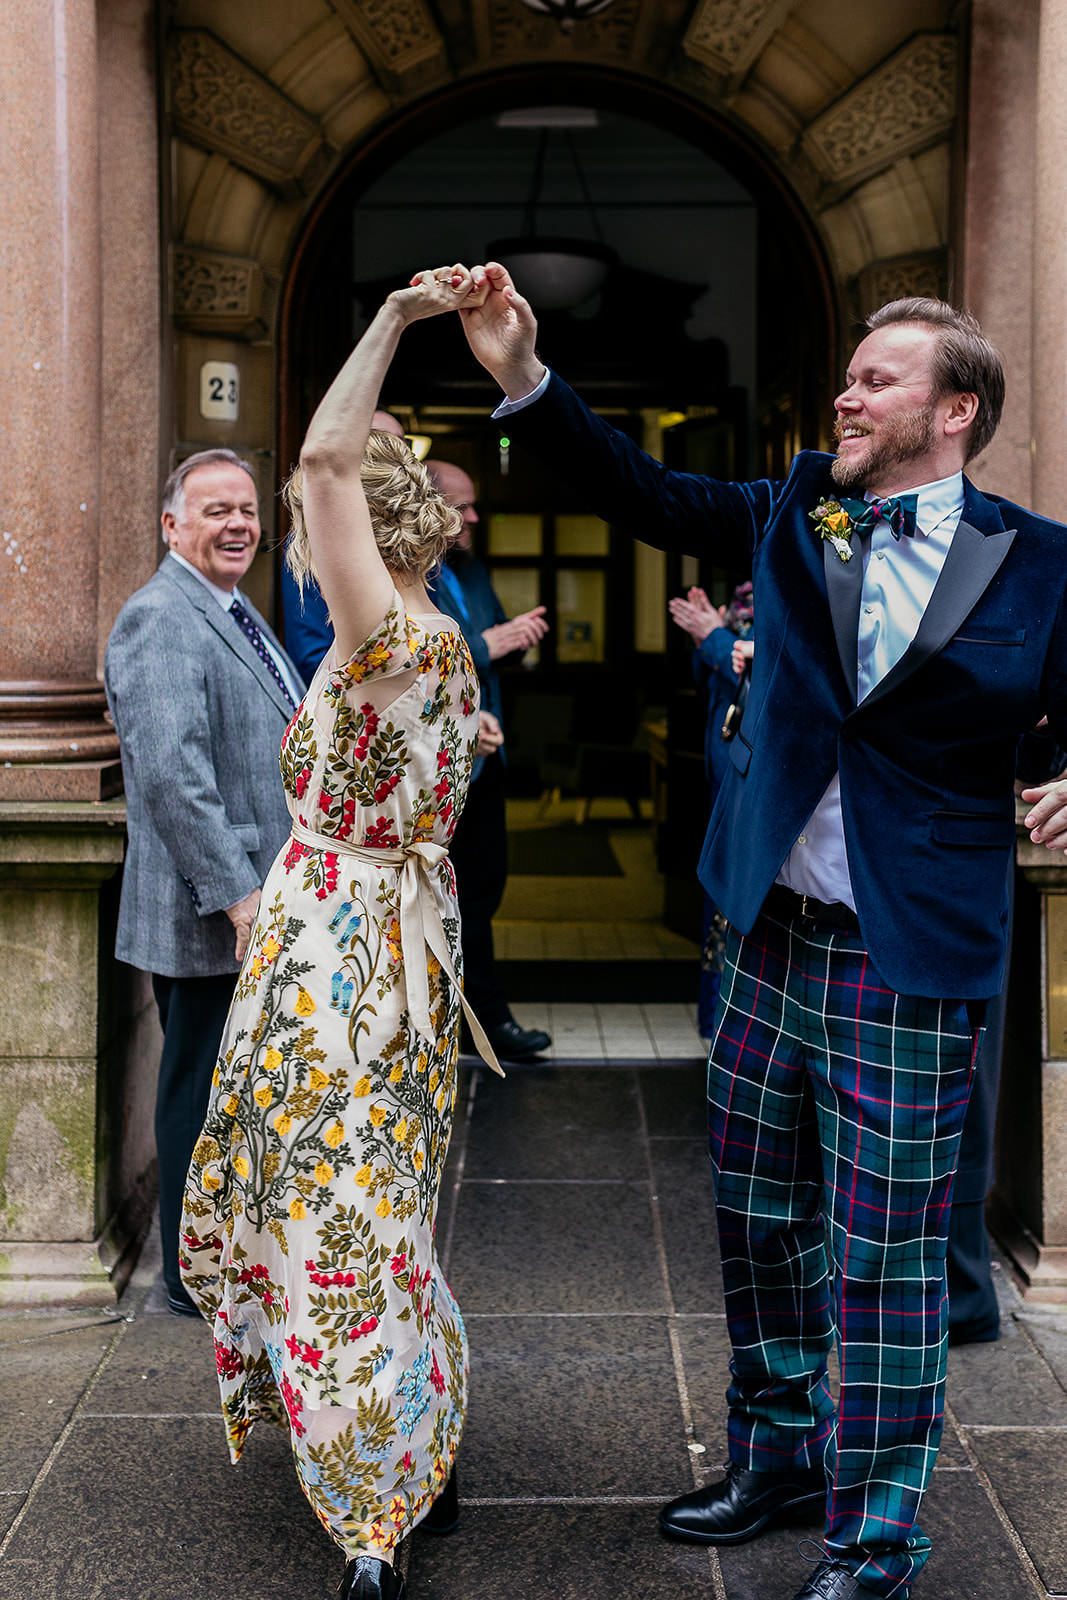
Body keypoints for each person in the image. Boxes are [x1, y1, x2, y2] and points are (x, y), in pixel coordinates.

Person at [445, 264, 1067, 1600]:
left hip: (906, 957)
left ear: (952, 410)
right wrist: (517, 378)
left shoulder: (1043, 567)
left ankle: (874, 1536)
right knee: (755, 1219)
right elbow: (641, 493)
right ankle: (771, 1453)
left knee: (885, 1257)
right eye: (844, 374)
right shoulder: (797, 508)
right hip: (761, 938)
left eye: (874, 378)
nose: (844, 391)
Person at [179, 267, 505, 1600]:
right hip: (402, 944)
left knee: (338, 1209)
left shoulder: (380, 637)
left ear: (356, 541)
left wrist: (393, 317)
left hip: (343, 955)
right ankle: (407, 1437)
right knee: (384, 1202)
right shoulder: (442, 645)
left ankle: (370, 1506)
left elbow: (318, 450)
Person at [105, 448, 302, 1317]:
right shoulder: (159, 616)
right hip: (211, 909)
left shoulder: (229, 607)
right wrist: (240, 897)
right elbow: (173, 778)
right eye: (216, 509)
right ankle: (192, 1275)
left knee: (231, 1086)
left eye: (248, 510)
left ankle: (227, 1252)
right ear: (171, 524)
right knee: (196, 1089)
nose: (237, 525)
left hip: (250, 900)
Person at [425, 457, 553, 1061]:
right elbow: (410, 659)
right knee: (456, 897)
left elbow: (491, 637)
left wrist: (514, 638)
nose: (474, 516)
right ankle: (479, 1019)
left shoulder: (468, 570)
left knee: (484, 888)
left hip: (486, 761)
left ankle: (474, 1015)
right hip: (439, 768)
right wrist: (488, 644)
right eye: (461, 505)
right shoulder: (408, 575)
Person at [669, 581, 752, 1039]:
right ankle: (715, 1019)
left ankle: (730, 1021)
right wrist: (711, 637)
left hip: (753, 780)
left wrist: (717, 638)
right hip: (725, 776)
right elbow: (716, 682)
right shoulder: (744, 599)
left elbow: (770, 671)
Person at [281, 410, 407, 684]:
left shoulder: (416, 531)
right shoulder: (314, 540)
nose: (395, 461)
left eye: (400, 445)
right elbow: (311, 654)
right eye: (380, 445)